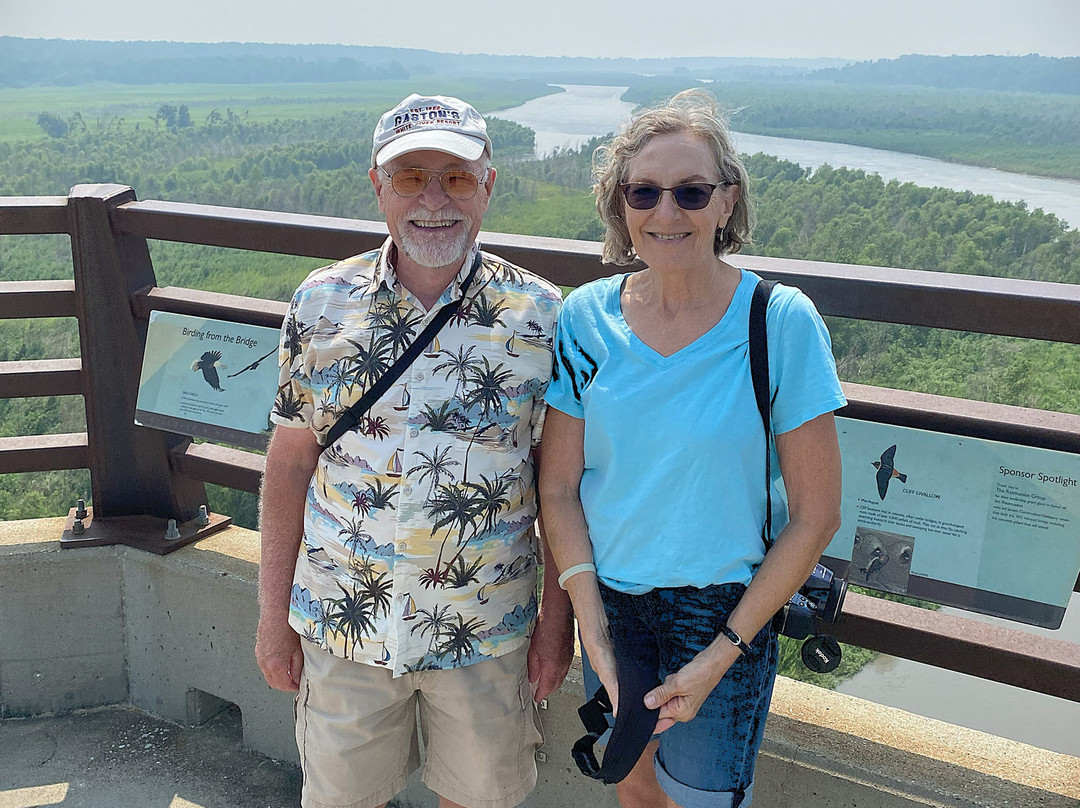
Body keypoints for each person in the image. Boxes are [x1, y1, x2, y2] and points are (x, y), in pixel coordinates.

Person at [256, 93, 574, 808]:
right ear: (378, 186)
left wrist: (558, 632)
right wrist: (272, 616)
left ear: (489, 185)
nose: (434, 200)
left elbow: (561, 491)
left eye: (457, 177)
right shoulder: (321, 302)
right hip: (343, 626)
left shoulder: (545, 317)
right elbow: (288, 466)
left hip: (486, 631)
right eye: (410, 177)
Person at [539, 89, 846, 808]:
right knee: (634, 788)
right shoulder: (585, 318)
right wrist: (595, 629)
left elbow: (816, 515)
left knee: (702, 802)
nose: (666, 212)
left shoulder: (780, 321)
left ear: (727, 201)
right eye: (643, 191)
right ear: (620, 206)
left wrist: (719, 658)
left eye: (691, 190)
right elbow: (557, 487)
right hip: (610, 604)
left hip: (724, 614)